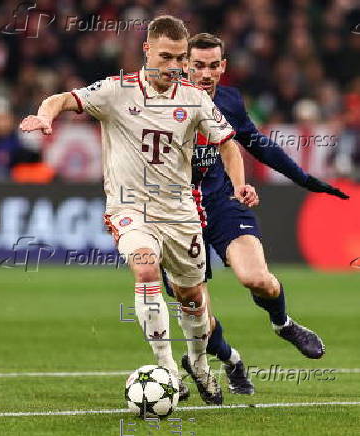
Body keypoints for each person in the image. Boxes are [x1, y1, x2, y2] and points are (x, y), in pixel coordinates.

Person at [19, 18, 259, 406]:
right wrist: (46, 116)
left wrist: (238, 184)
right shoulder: (116, 91)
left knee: (191, 297)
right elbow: (63, 98)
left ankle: (199, 363)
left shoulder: (195, 99)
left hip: (181, 211)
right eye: (166, 57)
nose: (174, 66)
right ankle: (166, 369)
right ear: (146, 51)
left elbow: (227, 143)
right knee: (145, 266)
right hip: (130, 207)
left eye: (181, 58)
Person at [163, 33, 350, 396]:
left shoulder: (229, 100)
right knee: (195, 307)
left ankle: (283, 324)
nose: (205, 73)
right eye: (197, 65)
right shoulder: (162, 103)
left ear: (223, 67)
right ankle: (231, 359)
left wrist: (305, 179)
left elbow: (256, 144)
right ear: (184, 65)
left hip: (222, 201)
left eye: (213, 65)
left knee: (256, 278)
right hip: (176, 213)